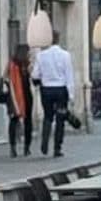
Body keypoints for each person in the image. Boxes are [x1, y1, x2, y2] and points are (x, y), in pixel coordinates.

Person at [32, 29, 75, 158]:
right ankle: (57, 148)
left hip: (46, 89)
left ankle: (44, 144)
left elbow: (35, 74)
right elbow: (69, 76)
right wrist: (71, 95)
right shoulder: (65, 55)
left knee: (48, 116)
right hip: (61, 89)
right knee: (60, 119)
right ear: (58, 39)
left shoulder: (41, 55)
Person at [4, 44, 34, 159]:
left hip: (14, 95)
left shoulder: (11, 64)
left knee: (13, 120)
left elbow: (4, 77)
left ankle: (13, 147)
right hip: (26, 96)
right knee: (28, 121)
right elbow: (33, 78)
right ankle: (27, 148)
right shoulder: (28, 65)